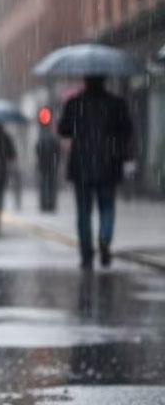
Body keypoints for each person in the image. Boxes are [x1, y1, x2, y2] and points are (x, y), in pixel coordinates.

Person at [57, 75, 133, 269]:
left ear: (85, 81)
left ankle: (86, 254)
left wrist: (78, 129)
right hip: (108, 164)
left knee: (84, 211)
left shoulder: (74, 104)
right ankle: (105, 238)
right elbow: (127, 131)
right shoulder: (116, 104)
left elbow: (63, 130)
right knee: (107, 206)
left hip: (82, 165)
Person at [35, 122, 61, 212]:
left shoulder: (41, 140)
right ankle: (51, 204)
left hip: (43, 166)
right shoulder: (54, 140)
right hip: (51, 166)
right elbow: (58, 153)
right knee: (51, 186)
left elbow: (37, 151)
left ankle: (44, 204)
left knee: (44, 186)